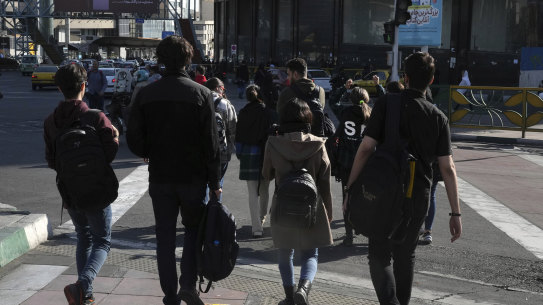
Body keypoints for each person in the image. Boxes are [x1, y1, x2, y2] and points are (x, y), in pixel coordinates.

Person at [344, 52, 462, 305]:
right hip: (417, 195)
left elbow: (365, 148)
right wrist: (455, 213)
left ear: (405, 78)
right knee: (405, 255)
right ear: (430, 81)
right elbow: (448, 168)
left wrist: (350, 188)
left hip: (383, 190)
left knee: (379, 253)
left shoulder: (388, 104)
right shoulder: (438, 117)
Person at [126, 35, 221, 305]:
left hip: (161, 176)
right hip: (194, 177)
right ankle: (188, 284)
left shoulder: (146, 93)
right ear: (188, 60)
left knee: (164, 235)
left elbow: (133, 137)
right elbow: (212, 145)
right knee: (192, 231)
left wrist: (148, 151)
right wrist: (215, 181)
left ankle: (169, 293)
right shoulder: (202, 94)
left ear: (160, 60)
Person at [43, 64, 119, 305]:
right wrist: (115, 137)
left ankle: (84, 295)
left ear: (59, 88)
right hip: (96, 189)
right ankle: (83, 285)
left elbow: (51, 160)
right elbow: (108, 153)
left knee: (83, 237)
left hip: (70, 190)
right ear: (84, 86)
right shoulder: (96, 117)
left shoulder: (51, 121)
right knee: (102, 241)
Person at [262, 98, 333, 305]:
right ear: (308, 118)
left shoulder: (273, 143)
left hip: (283, 205)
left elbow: (266, 174)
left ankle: (289, 297)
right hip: (312, 205)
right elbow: (325, 181)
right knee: (311, 253)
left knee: (285, 252)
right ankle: (303, 289)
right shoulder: (318, 144)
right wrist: (328, 210)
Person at [235, 84, 277, 238]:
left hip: (248, 153)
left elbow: (238, 136)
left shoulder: (244, 112)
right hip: (265, 154)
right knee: (264, 188)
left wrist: (240, 154)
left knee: (252, 191)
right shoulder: (268, 113)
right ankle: (262, 217)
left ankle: (256, 227)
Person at [335, 87, 372, 247]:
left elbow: (331, 102)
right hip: (366, 162)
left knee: (347, 197)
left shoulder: (345, 112)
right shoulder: (370, 114)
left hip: (347, 161)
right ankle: (369, 232)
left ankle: (348, 234)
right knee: (367, 198)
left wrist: (343, 88)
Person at [205, 77, 237, 201]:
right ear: (218, 88)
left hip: (202, 151)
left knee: (204, 184)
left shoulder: (201, 100)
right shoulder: (225, 104)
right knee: (218, 184)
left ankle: (203, 215)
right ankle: (214, 213)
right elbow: (233, 128)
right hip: (221, 151)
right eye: (223, 89)